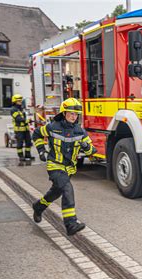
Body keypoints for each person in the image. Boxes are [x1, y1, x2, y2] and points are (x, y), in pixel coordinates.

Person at [31, 98, 96, 236]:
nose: (74, 116)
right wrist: (41, 150)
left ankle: (38, 206)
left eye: (76, 114)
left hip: (69, 169)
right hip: (54, 165)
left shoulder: (80, 132)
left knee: (56, 192)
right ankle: (70, 224)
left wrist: (86, 147)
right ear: (64, 113)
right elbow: (36, 133)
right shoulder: (53, 127)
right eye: (71, 113)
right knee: (67, 189)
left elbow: (92, 152)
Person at [10, 94, 32, 161]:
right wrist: (28, 121)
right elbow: (18, 119)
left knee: (28, 143)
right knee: (20, 144)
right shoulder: (13, 109)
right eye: (18, 101)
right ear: (14, 101)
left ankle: (28, 155)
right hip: (19, 130)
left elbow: (23, 117)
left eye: (20, 101)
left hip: (26, 129)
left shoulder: (21, 109)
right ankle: (21, 156)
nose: (20, 102)